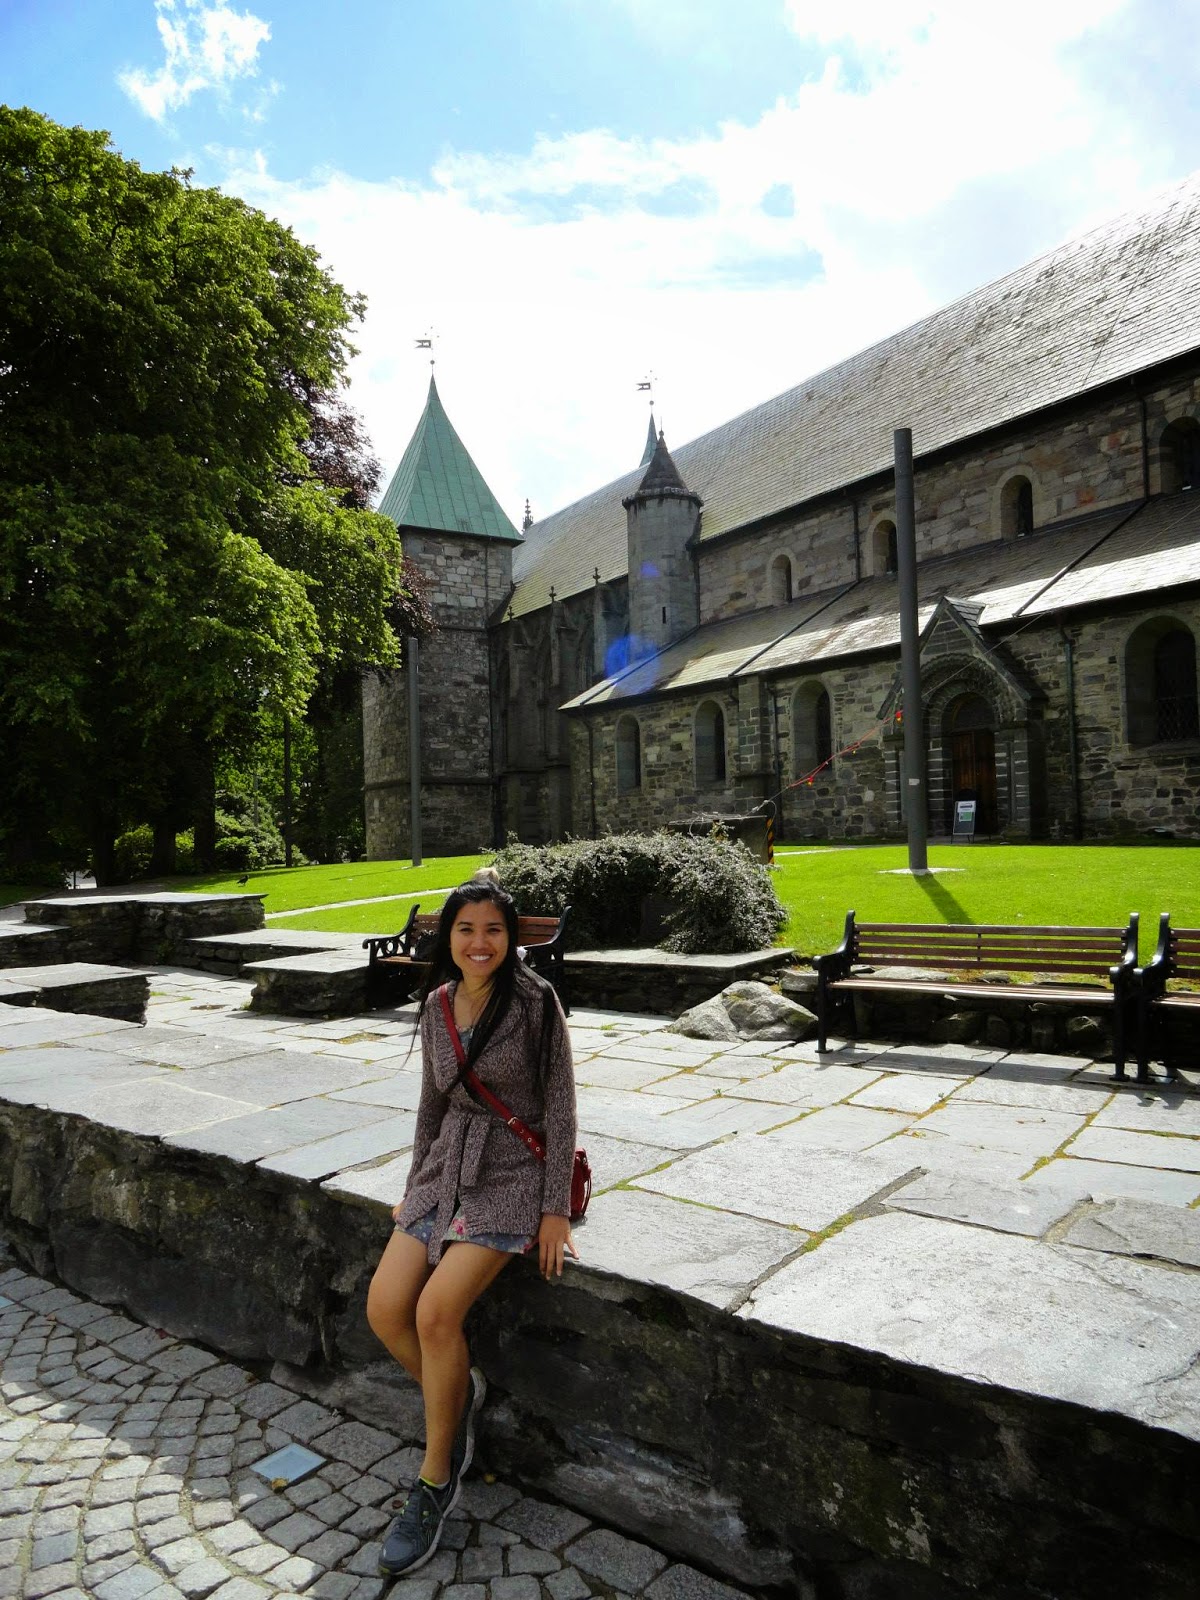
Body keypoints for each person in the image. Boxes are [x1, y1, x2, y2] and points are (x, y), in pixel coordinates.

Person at [365, 880, 579, 1578]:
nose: (480, 943)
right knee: (385, 1308)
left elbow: (561, 1106)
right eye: (466, 929)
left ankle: (435, 1476)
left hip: (514, 1169)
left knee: (435, 1314)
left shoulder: (535, 1003)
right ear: (448, 937)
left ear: (510, 937)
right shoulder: (436, 1005)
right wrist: (413, 1187)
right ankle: (457, 1397)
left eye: (493, 929)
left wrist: (554, 1209)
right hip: (444, 1166)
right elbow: (431, 1103)